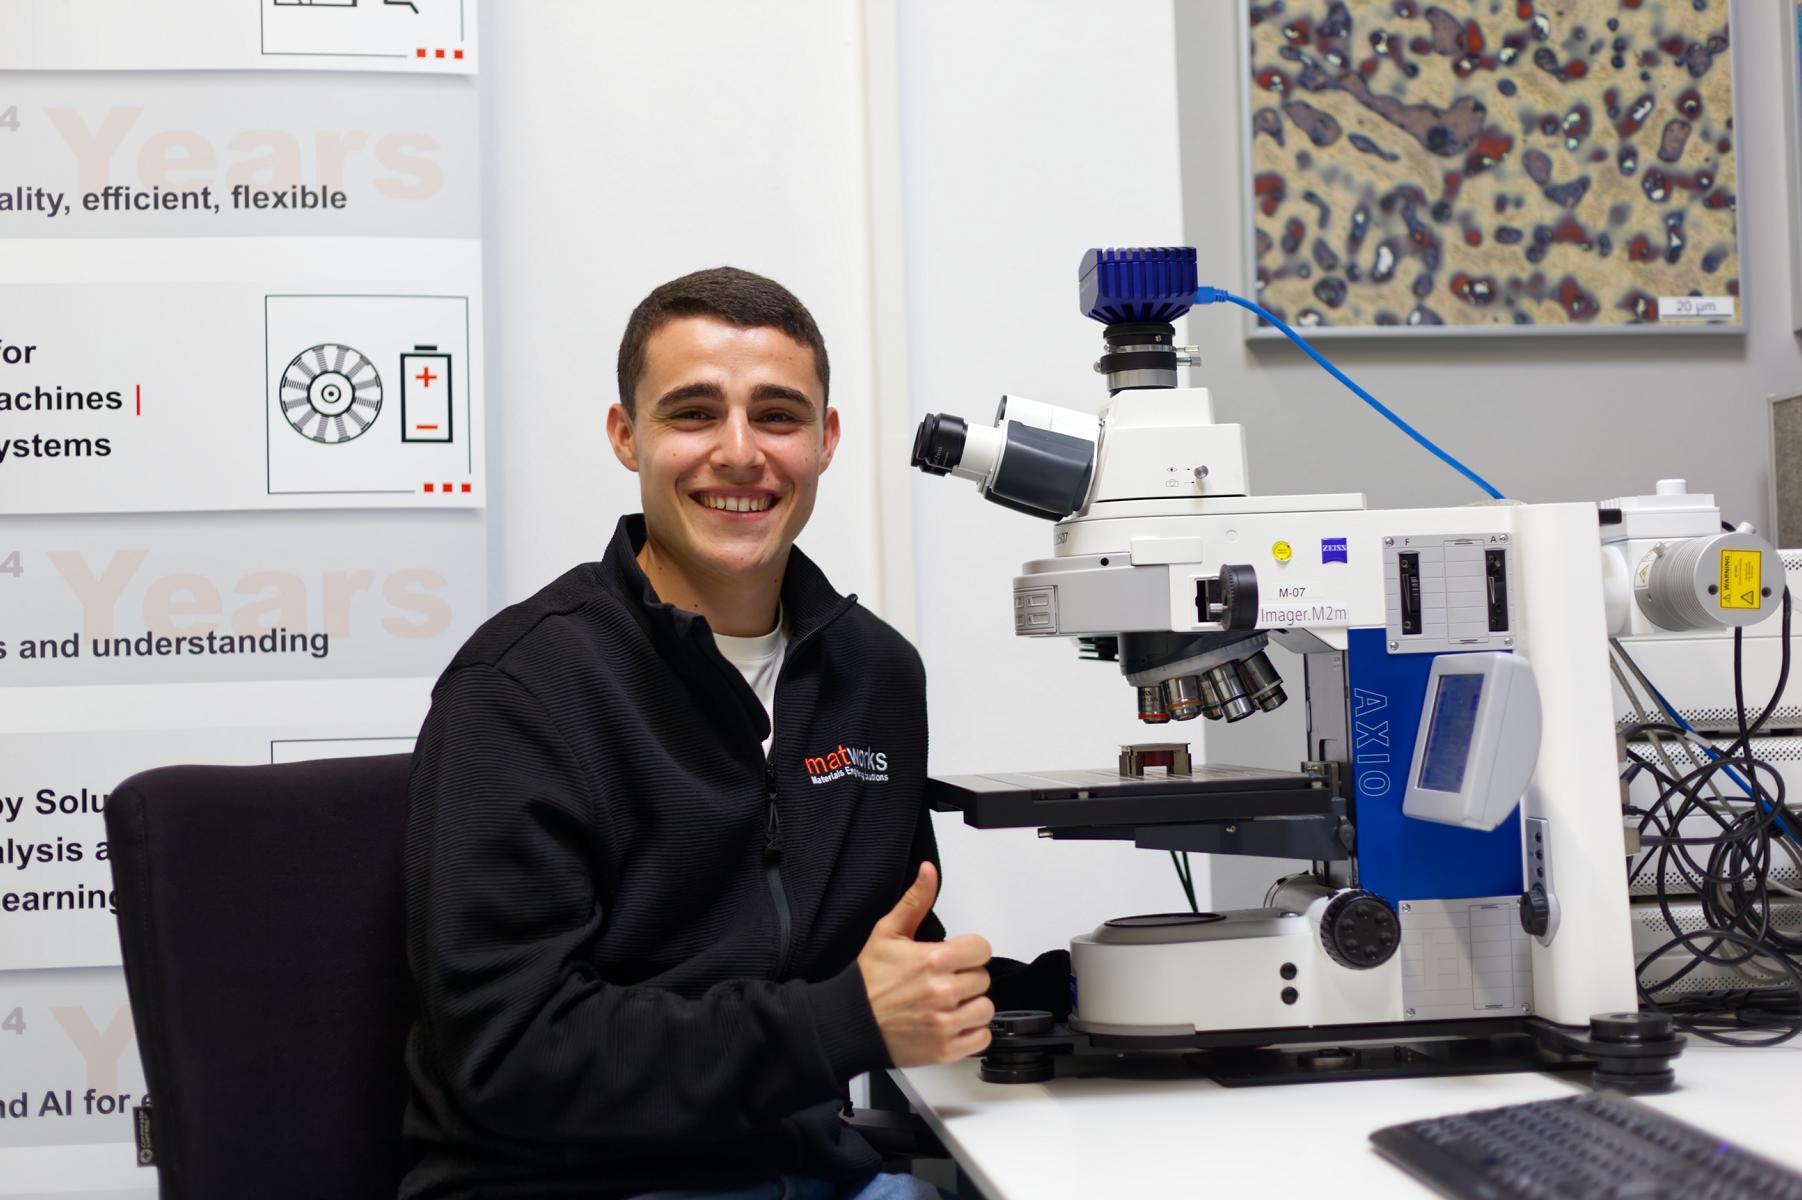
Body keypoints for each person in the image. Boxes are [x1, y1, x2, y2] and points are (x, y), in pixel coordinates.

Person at [400, 267, 1066, 1199]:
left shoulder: (874, 676)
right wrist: (842, 1023)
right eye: (694, 413)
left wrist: (1103, 991)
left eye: (778, 416)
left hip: (816, 1176)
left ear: (826, 441)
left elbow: (881, 967)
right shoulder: (520, 688)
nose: (741, 453)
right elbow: (512, 1052)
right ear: (625, 435)